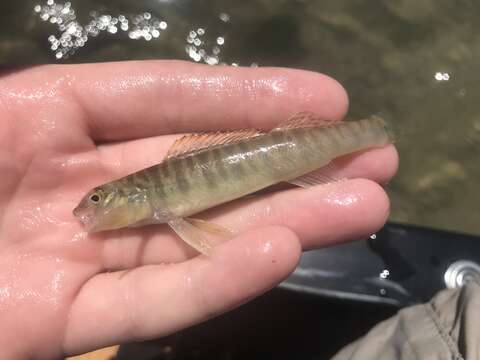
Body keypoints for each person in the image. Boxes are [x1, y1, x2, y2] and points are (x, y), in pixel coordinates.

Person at [0, 61, 398, 359]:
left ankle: (375, 131)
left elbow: (190, 228)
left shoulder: (160, 203)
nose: (87, 210)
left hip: (291, 153)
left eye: (98, 199)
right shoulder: (155, 205)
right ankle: (374, 130)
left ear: (131, 195)